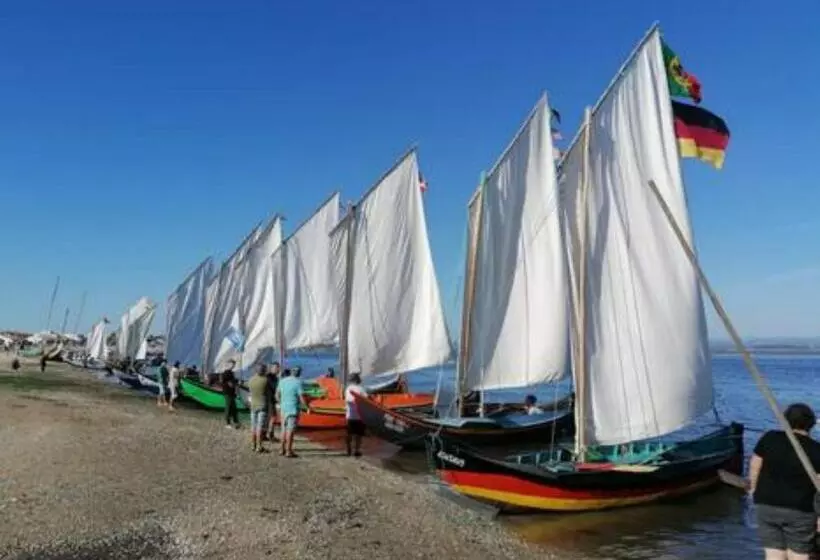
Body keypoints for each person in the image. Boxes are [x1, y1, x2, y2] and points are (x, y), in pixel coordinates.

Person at [749, 403, 820, 560]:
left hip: (766, 504)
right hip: (800, 510)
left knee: (773, 554)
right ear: (811, 424)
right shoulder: (817, 450)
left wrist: (753, 489)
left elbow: (755, 465)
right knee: (799, 554)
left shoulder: (770, 438)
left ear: (786, 421)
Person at [277, 368, 307, 457]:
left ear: (291, 372)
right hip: (293, 409)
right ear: (299, 373)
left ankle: (281, 449)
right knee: (290, 430)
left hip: (283, 409)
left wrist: (281, 403)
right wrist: (307, 406)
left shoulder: (282, 381)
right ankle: (288, 451)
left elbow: (277, 395)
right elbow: (302, 398)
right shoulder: (298, 382)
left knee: (283, 429)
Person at [247, 364, 272, 453]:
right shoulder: (266, 380)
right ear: (263, 370)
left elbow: (249, 391)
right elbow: (270, 392)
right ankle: (259, 446)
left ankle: (253, 445)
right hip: (262, 406)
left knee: (253, 427)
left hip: (253, 405)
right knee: (260, 427)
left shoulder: (250, 380)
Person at [344, 373, 368, 457]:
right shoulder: (361, 389)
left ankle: (348, 449)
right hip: (359, 416)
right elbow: (366, 400)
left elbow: (348, 400)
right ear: (358, 380)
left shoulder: (348, 389)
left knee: (349, 433)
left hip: (350, 415)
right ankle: (357, 450)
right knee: (358, 435)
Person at [221, 360, 241, 429]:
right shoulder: (225, 373)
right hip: (227, 393)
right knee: (228, 407)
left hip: (232, 393)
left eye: (233, 365)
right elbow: (223, 382)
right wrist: (230, 384)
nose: (233, 366)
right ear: (228, 364)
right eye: (232, 364)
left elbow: (234, 382)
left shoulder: (232, 373)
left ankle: (236, 422)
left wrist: (237, 382)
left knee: (234, 408)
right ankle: (227, 423)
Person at [265, 362, 281, 442]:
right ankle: (270, 435)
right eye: (275, 368)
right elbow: (275, 387)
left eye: (278, 368)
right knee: (272, 417)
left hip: (271, 400)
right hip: (268, 400)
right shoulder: (269, 376)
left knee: (269, 418)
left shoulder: (274, 377)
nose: (277, 369)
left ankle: (265, 434)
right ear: (271, 368)